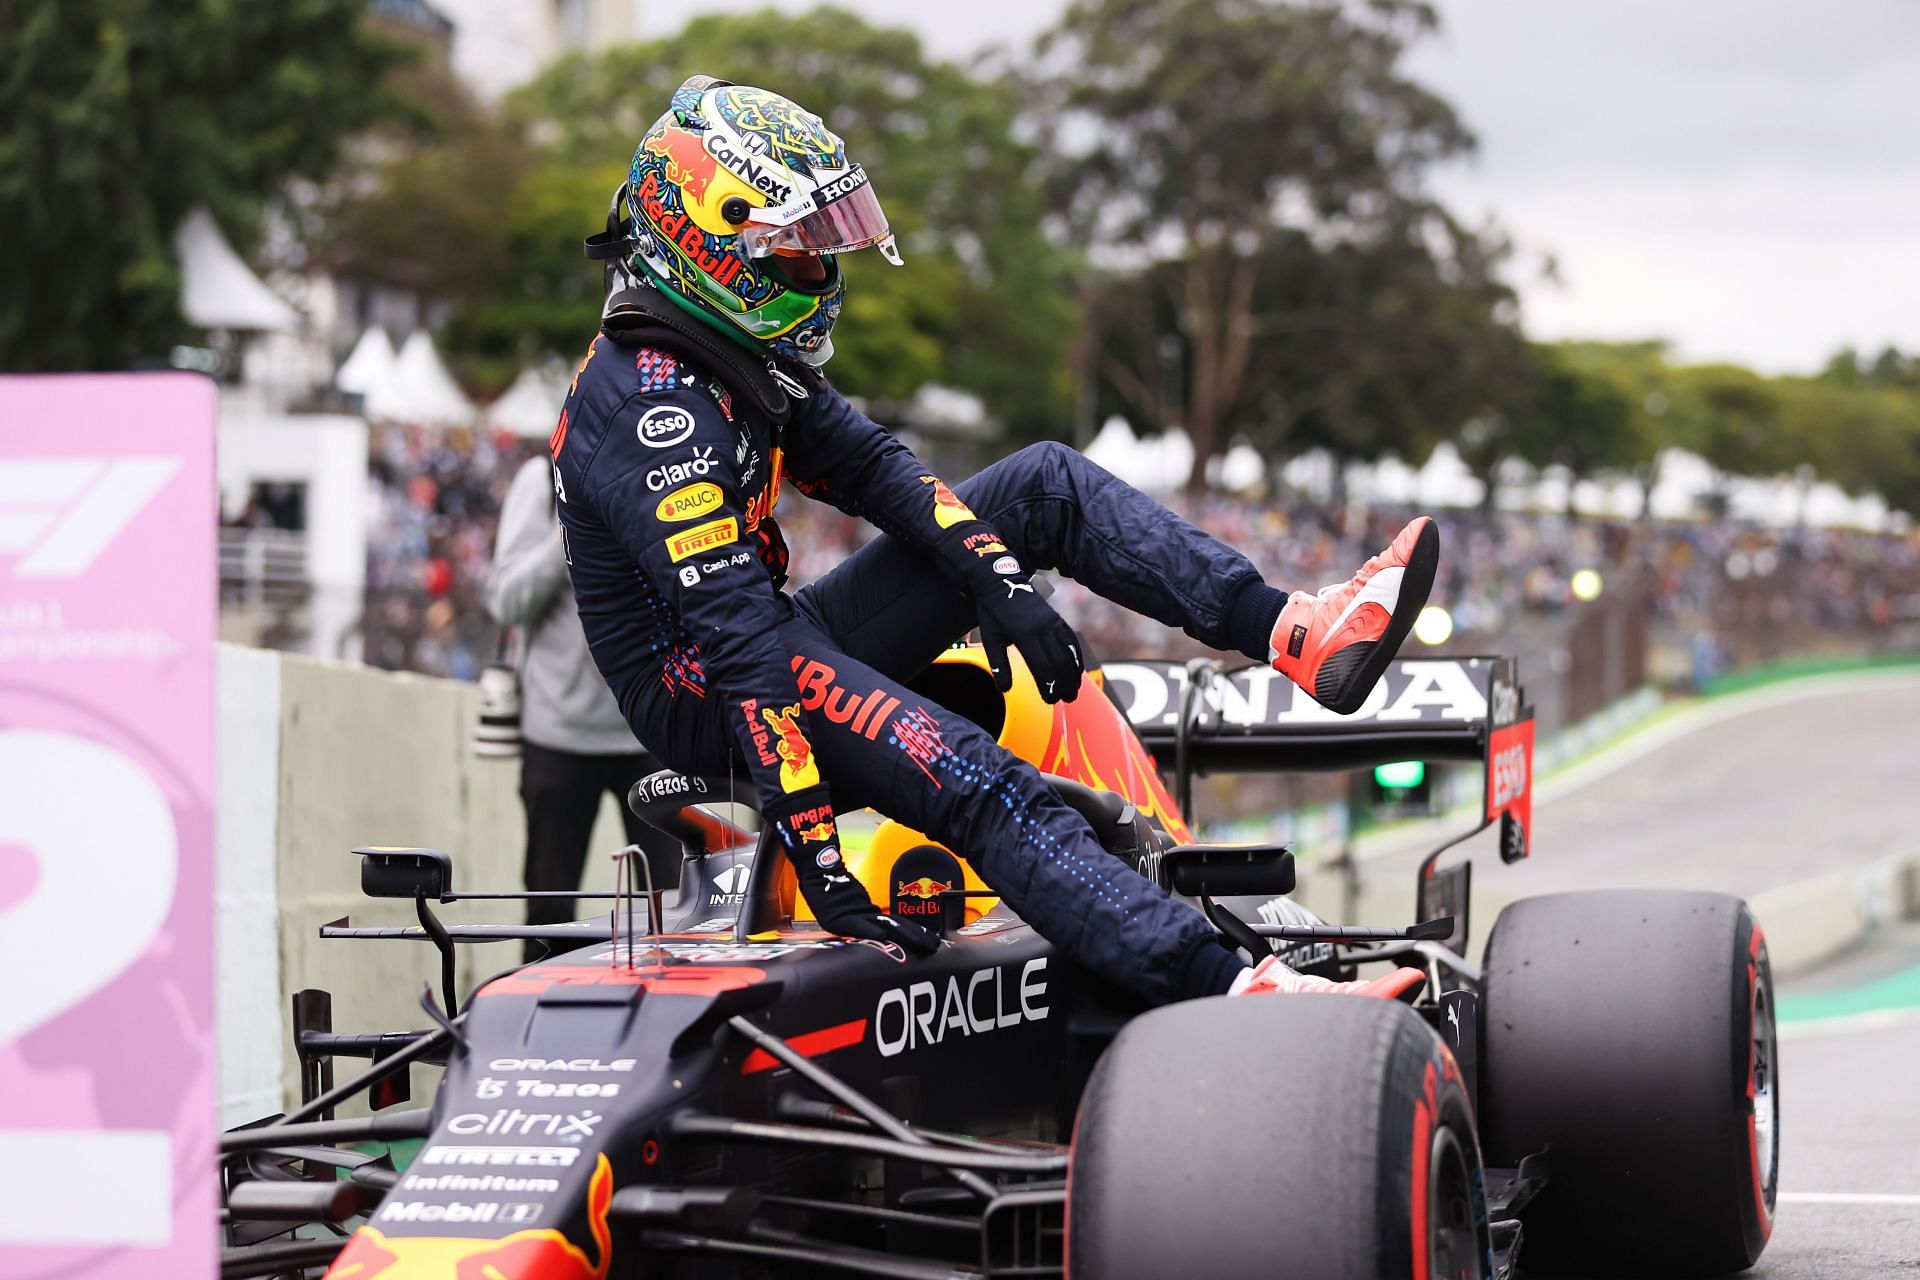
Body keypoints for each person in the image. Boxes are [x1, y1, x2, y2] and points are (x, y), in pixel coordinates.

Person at [551, 76, 1438, 1003]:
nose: (825, 274)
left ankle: (1298, 631)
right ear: (712, 246)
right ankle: (1238, 991)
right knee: (982, 782)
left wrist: (1000, 580)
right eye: (802, 251)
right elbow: (738, 647)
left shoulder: (722, 346)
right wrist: (815, 847)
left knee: (1043, 483)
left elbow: (876, 469)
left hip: (768, 633)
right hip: (714, 692)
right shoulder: (654, 417)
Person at [486, 452, 681, 961]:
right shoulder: (542, 478)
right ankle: (537, 1037)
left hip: (651, 731)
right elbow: (505, 600)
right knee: (548, 920)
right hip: (558, 736)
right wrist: (572, 528)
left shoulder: (667, 468)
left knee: (678, 918)